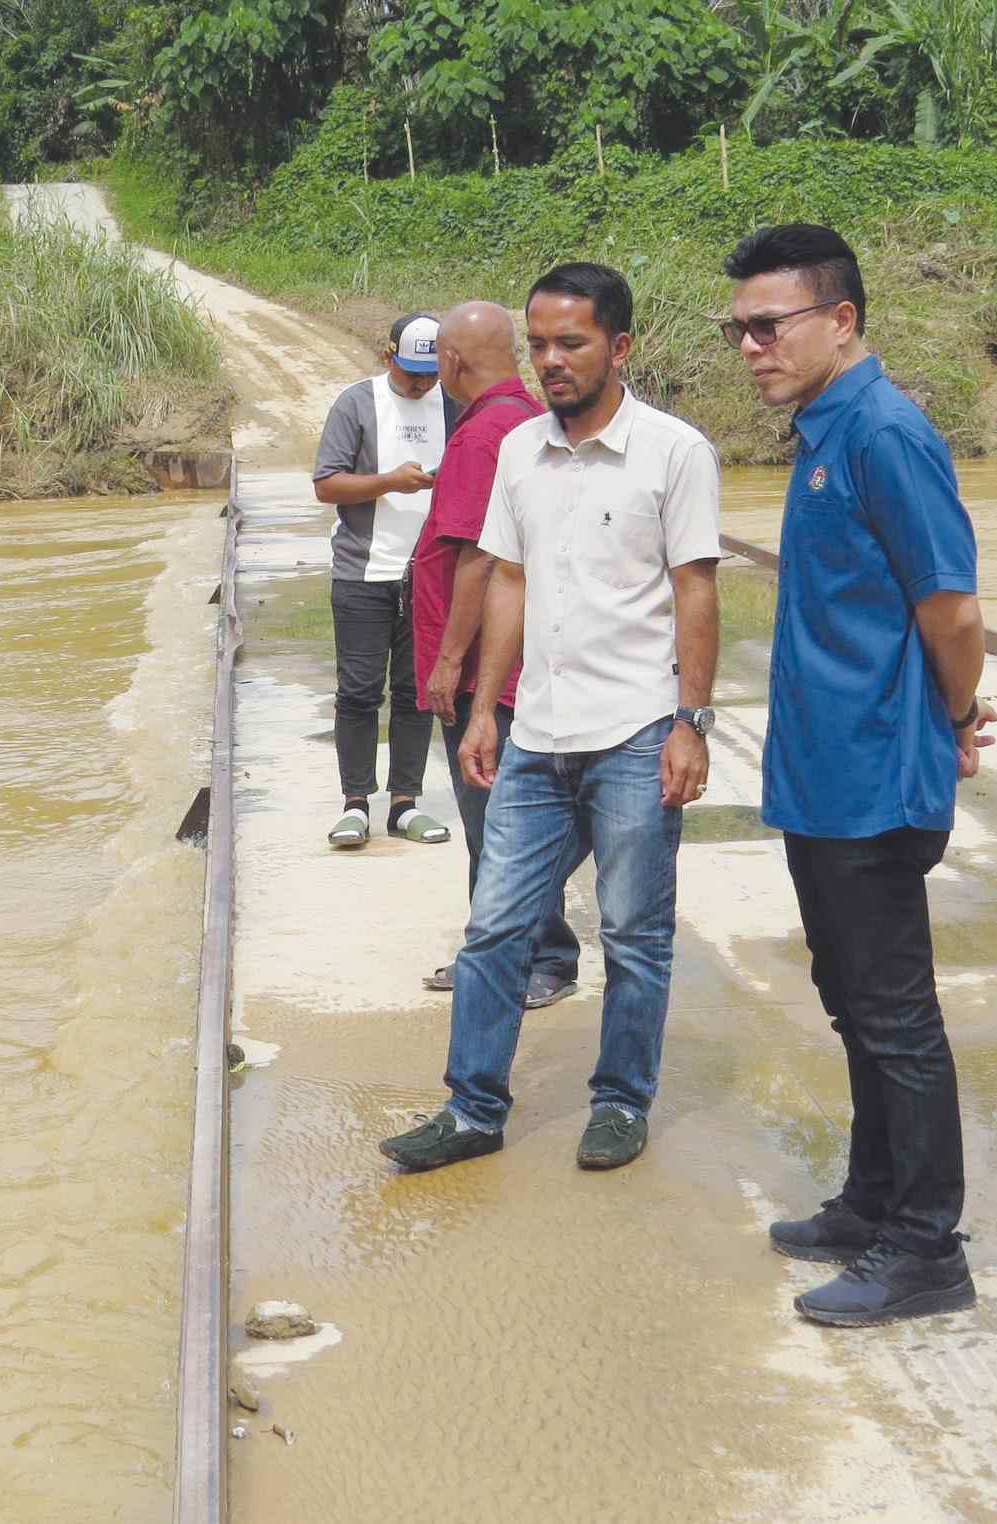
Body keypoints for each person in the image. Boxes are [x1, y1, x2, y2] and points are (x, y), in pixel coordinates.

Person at [379, 263, 722, 1175]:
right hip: (536, 733)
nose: (551, 361)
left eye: (571, 343)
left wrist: (692, 721)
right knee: (495, 927)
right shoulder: (521, 450)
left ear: (620, 347)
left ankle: (619, 1101)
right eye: (538, 344)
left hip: (638, 731)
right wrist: (487, 706)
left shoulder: (674, 453)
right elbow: (510, 581)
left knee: (634, 931)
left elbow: (695, 590)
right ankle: (472, 1108)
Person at [722, 223, 997, 1328]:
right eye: (736, 328)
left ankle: (926, 1248)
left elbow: (952, 608)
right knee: (848, 1000)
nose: (748, 346)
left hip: (872, 783)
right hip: (821, 776)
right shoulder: (820, 429)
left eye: (766, 325)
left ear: (839, 320)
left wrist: (954, 713)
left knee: (892, 1015)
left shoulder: (883, 432)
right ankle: (872, 1199)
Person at [408, 299, 580, 1012]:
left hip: (488, 668)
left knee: (498, 824)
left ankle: (538, 956)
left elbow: (479, 559)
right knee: (502, 821)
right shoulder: (521, 421)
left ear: (451, 362)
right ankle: (494, 950)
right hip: (513, 660)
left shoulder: (485, 436)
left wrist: (451, 664)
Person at [312, 313, 456, 851]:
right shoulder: (356, 403)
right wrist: (390, 482)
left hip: (428, 574)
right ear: (388, 353)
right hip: (363, 571)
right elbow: (327, 484)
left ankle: (404, 804)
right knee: (358, 691)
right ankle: (354, 804)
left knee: (417, 693)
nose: (420, 383)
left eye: (430, 373)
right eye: (412, 370)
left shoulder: (454, 406)